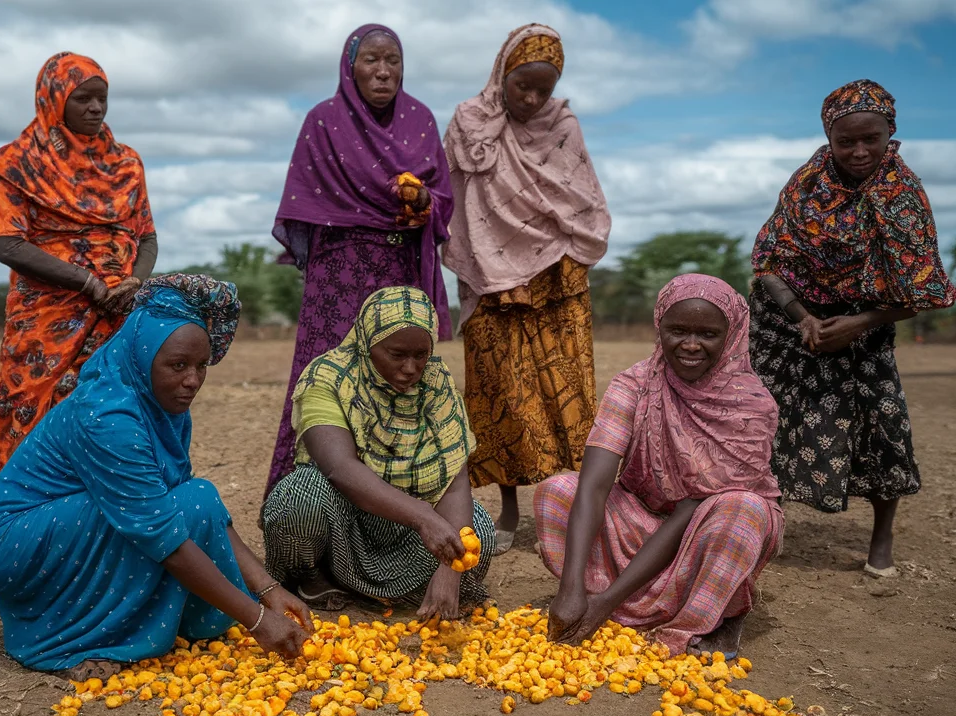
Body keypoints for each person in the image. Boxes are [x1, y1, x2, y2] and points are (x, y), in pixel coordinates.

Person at [0, 275, 312, 678]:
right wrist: (256, 619)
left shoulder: (161, 405)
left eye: (200, 366)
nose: (192, 380)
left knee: (196, 496)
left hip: (62, 523)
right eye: (177, 365)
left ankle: (149, 623)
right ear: (140, 356)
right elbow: (163, 537)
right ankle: (66, 642)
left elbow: (190, 504)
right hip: (7, 544)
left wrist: (269, 590)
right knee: (149, 518)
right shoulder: (107, 416)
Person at [749, 79, 956, 577]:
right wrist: (804, 319)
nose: (859, 151)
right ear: (828, 136)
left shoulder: (903, 195)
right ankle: (757, 522)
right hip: (787, 319)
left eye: (872, 139)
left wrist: (859, 324)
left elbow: (924, 290)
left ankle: (881, 536)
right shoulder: (806, 182)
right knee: (759, 421)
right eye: (847, 142)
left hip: (866, 321)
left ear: (891, 132)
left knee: (881, 426)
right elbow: (768, 260)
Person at [535, 275, 783, 657]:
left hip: (702, 532)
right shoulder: (634, 385)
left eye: (708, 334)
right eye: (677, 330)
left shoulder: (751, 405)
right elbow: (595, 484)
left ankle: (708, 615)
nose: (690, 345)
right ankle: (600, 597)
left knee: (742, 511)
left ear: (732, 335)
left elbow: (691, 508)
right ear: (659, 328)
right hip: (643, 520)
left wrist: (606, 602)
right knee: (558, 492)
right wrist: (569, 590)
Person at [264, 24, 455, 502]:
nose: (384, 70)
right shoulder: (323, 121)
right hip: (339, 273)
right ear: (350, 67)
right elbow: (305, 202)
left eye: (393, 59)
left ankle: (397, 504)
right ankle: (304, 503)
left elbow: (443, 198)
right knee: (324, 375)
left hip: (400, 268)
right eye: (371, 59)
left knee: (400, 377)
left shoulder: (421, 120)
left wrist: (420, 200)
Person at [442, 24, 611, 556]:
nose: (532, 98)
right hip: (492, 278)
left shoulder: (562, 125)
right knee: (500, 393)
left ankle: (572, 505)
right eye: (523, 86)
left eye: (544, 88)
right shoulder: (470, 122)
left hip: (556, 275)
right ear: (502, 72)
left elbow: (579, 196)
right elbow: (455, 198)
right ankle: (510, 508)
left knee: (569, 391)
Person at [0, 52, 159, 507]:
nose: (95, 108)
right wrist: (89, 284)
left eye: (102, 99)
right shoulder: (18, 162)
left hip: (119, 310)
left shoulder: (127, 163)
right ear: (53, 100)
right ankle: (13, 515)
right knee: (29, 404)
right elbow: (8, 244)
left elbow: (147, 237)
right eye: (83, 99)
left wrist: (131, 284)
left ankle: (110, 508)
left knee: (114, 409)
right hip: (47, 317)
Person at [261, 287, 494, 619]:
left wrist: (450, 566)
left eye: (421, 354)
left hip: (407, 534)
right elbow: (340, 468)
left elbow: (454, 482)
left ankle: (419, 589)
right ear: (367, 342)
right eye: (396, 354)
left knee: (476, 533)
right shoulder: (328, 377)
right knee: (297, 498)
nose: (411, 368)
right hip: (344, 520)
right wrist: (424, 517)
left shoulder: (437, 384)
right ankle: (315, 579)